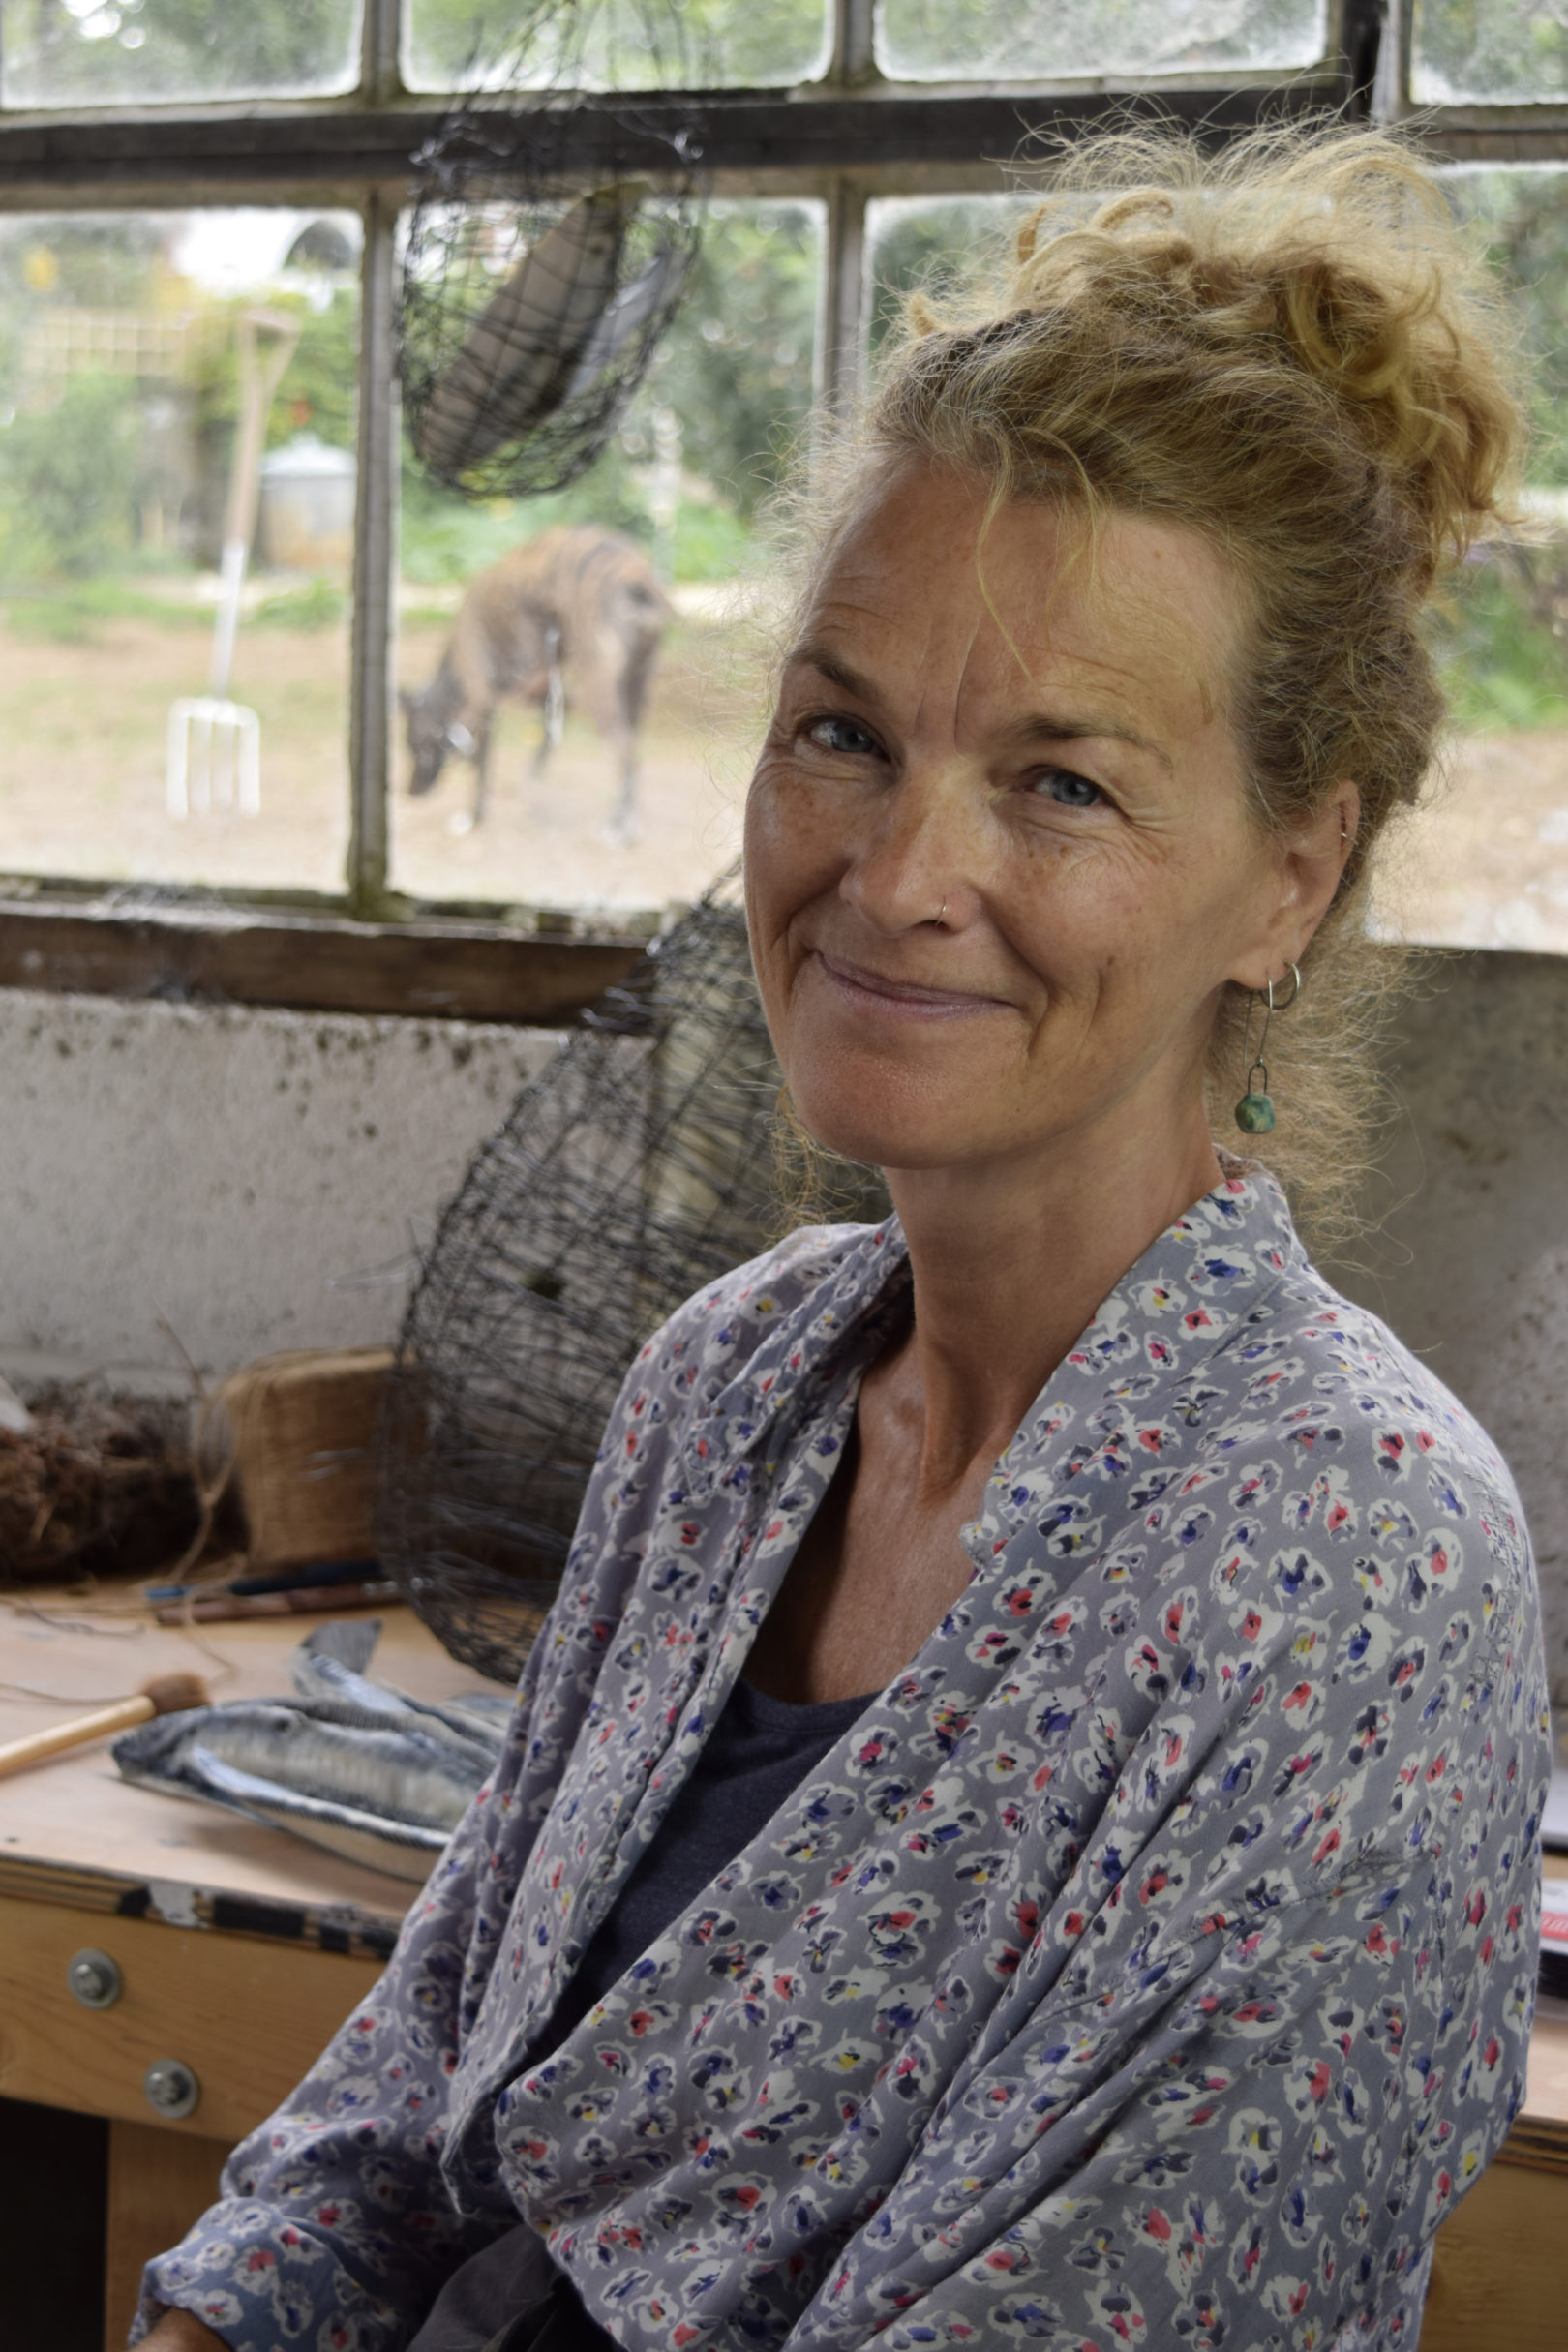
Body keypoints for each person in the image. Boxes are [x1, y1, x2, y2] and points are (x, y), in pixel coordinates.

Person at [137, 123, 1550, 2352]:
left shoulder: (1355, 1566)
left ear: (1293, 874)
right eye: (842, 734)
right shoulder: (737, 1381)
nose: (893, 875)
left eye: (1062, 782)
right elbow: (413, 2102)